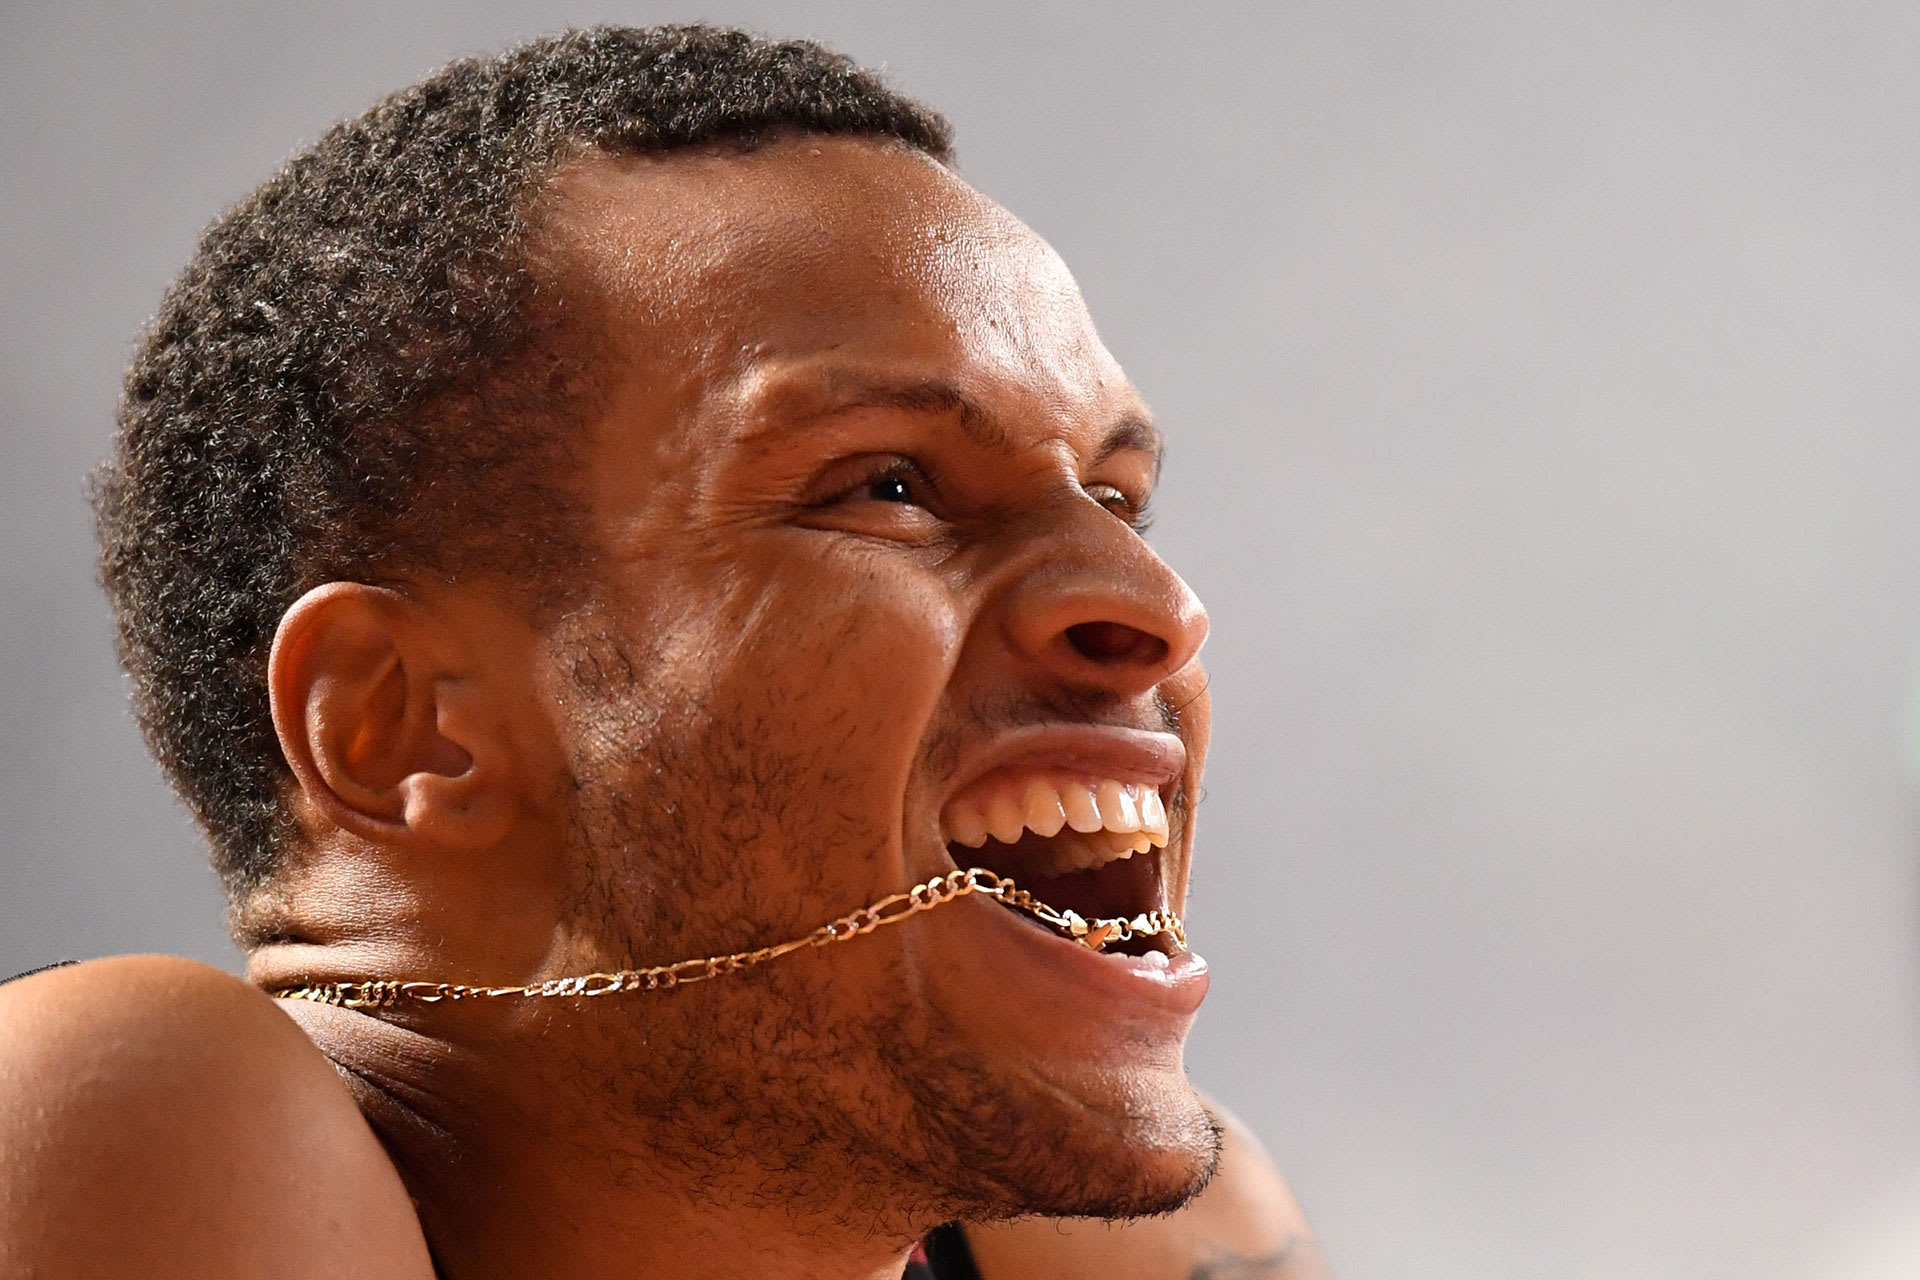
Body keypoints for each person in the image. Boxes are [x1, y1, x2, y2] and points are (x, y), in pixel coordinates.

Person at [0, 25, 1328, 1280]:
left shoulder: (1142, 1234)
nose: (1156, 603)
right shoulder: (134, 1106)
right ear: (403, 726)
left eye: (1115, 498)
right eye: (887, 486)